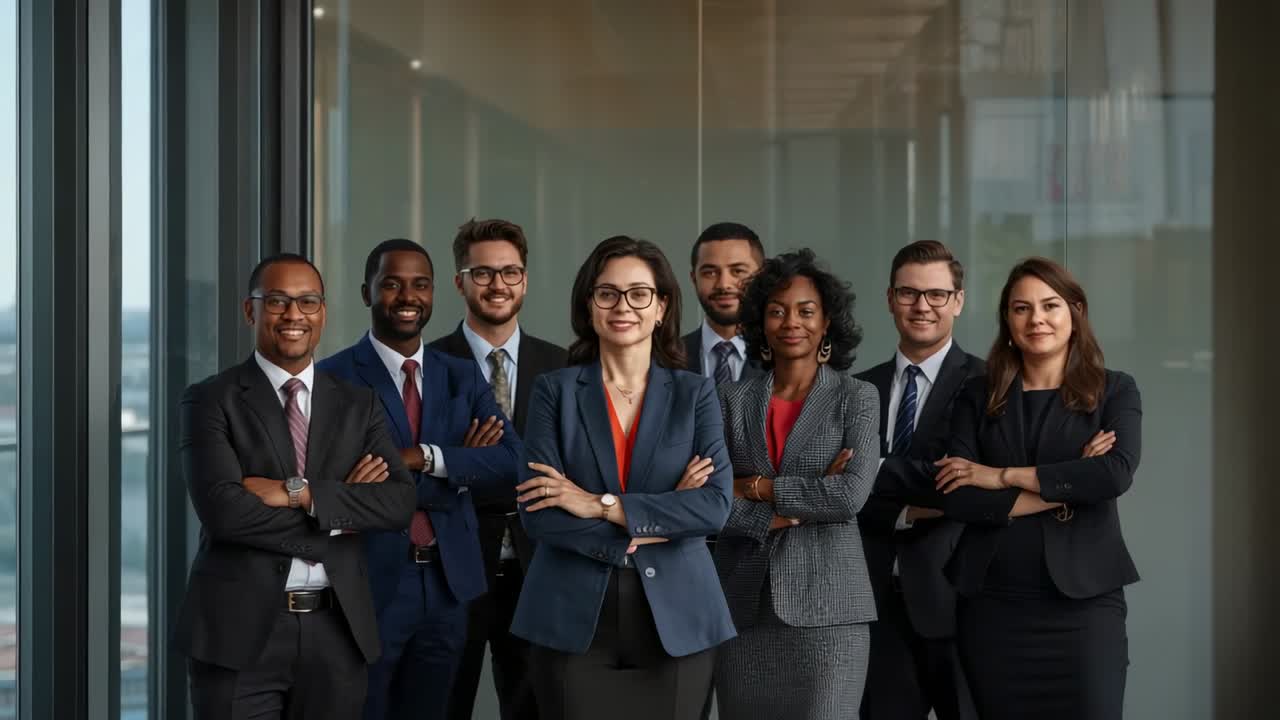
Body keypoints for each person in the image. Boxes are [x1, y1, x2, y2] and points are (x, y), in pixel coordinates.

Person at [885, 257, 1141, 720]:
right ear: (1007, 319)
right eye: (1021, 308)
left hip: (1084, 609)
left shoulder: (1115, 391)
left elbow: (1113, 475)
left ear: (1075, 312)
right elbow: (958, 495)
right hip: (993, 608)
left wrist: (1001, 475)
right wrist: (1069, 478)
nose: (1036, 319)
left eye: (1050, 305)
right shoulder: (977, 396)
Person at [176, 253, 416, 719]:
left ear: (322, 312)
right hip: (238, 635)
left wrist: (301, 493)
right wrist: (341, 514)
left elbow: (398, 503)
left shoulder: (358, 404)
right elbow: (225, 514)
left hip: (338, 631)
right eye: (278, 301)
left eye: (307, 302)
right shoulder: (210, 399)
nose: (293, 316)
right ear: (251, 310)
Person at [510, 235, 736, 720]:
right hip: (571, 618)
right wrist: (661, 518)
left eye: (639, 293)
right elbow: (540, 516)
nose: (623, 306)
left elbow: (715, 506)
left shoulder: (695, 394)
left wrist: (600, 505)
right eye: (607, 293)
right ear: (589, 305)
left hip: (678, 619)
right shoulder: (555, 391)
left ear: (661, 307)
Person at [317, 239, 523, 720]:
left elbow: (513, 462)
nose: (407, 296)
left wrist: (421, 457)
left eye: (420, 285)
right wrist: (459, 469)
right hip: (372, 580)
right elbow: (343, 491)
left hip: (449, 584)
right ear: (367, 293)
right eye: (391, 284)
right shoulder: (334, 378)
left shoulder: (463, 376)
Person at [713, 249, 880, 720]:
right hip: (744, 610)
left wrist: (758, 487)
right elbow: (709, 499)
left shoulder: (857, 398)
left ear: (827, 322)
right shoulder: (729, 399)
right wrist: (797, 501)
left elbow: (849, 495)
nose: (792, 321)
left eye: (806, 311)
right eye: (777, 310)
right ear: (760, 323)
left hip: (830, 617)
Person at [431, 219, 567, 720]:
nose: (498, 285)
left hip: (538, 567)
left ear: (525, 280)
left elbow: (570, 469)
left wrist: (466, 460)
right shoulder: (428, 365)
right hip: (452, 566)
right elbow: (417, 471)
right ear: (459, 282)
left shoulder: (563, 365)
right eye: (483, 273)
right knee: (444, 703)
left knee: (533, 710)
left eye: (510, 272)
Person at [857, 241, 982, 720]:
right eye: (909, 293)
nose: (922, 306)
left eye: (936, 294)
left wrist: (873, 468)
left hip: (956, 604)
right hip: (873, 604)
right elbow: (838, 493)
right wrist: (906, 506)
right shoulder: (858, 389)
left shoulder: (987, 385)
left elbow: (962, 482)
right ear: (890, 299)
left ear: (958, 300)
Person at [683, 222, 767, 385]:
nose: (723, 284)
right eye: (710, 273)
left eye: (737, 271)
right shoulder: (664, 359)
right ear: (694, 279)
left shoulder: (783, 357)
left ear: (761, 277)